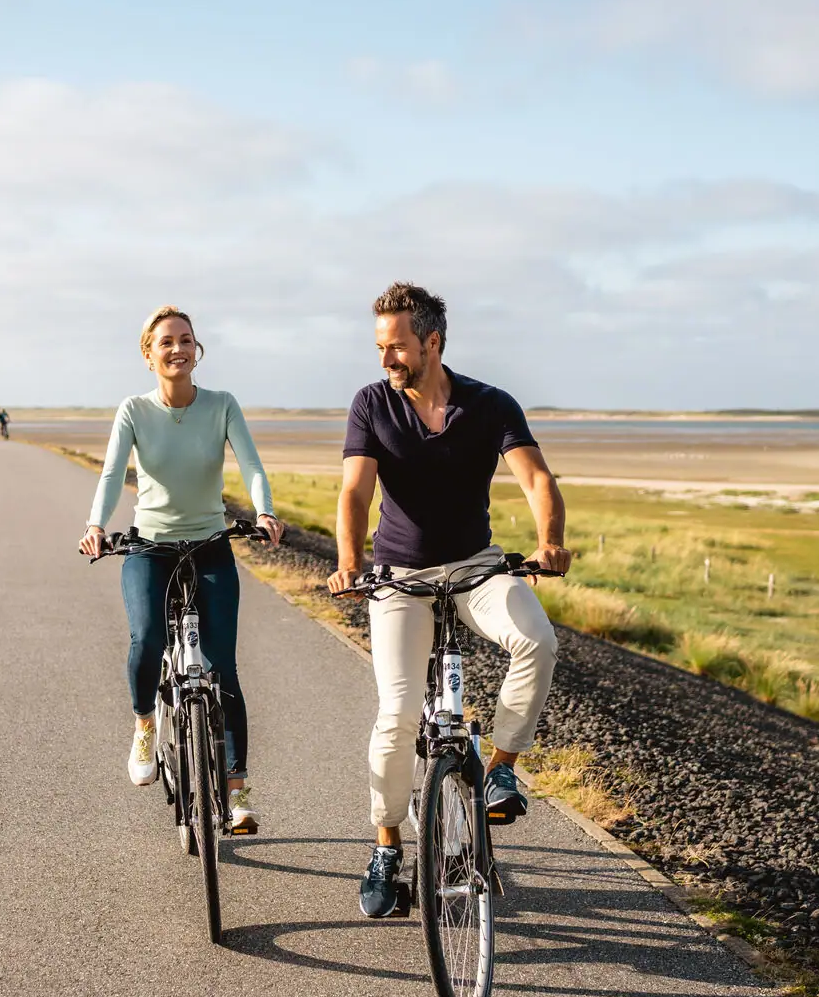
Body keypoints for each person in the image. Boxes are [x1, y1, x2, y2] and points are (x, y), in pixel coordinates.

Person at [326, 282, 571, 918]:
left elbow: (536, 477)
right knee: (398, 713)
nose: (386, 359)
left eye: (397, 346)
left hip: (476, 567)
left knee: (537, 641)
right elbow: (355, 493)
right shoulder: (371, 404)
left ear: (433, 342)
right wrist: (351, 563)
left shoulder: (490, 405)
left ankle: (501, 768)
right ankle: (386, 848)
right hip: (400, 577)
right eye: (380, 347)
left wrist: (550, 542)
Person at [79, 306, 285, 831]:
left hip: (211, 545)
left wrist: (264, 512)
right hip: (151, 547)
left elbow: (252, 465)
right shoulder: (133, 410)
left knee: (223, 666)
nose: (178, 349)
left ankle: (236, 792)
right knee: (147, 638)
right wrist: (97, 525)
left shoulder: (221, 406)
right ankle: (146, 722)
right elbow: (110, 475)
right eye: (166, 342)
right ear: (149, 354)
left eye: (187, 340)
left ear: (198, 350)